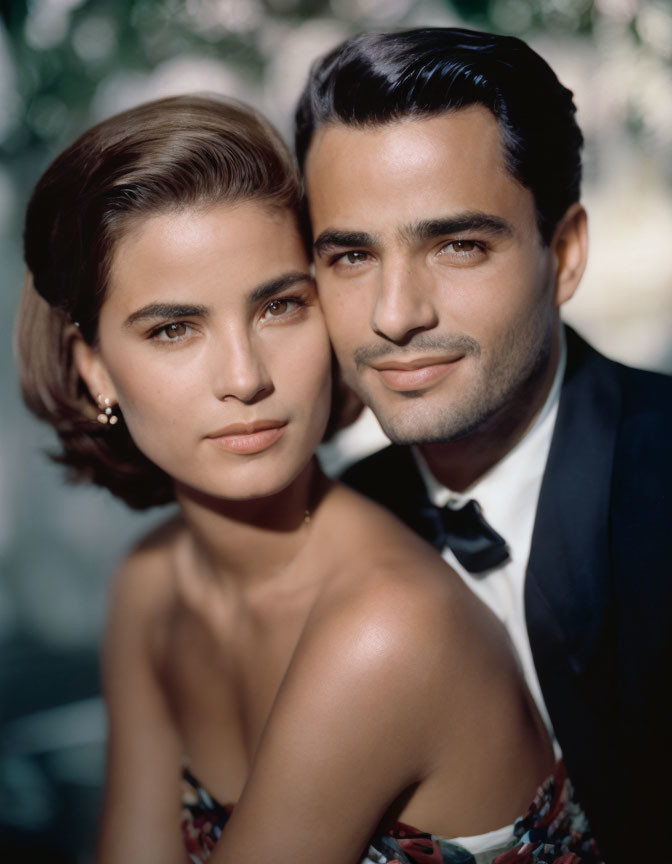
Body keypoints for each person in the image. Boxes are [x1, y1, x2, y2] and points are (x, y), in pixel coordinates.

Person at [15, 94, 603, 864]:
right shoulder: (152, 587)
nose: (244, 377)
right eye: (174, 328)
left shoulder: (388, 628)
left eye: (279, 306)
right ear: (95, 370)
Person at [295, 26, 672, 863]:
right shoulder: (344, 518)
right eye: (352, 255)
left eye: (458, 244)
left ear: (564, 253)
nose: (396, 315)